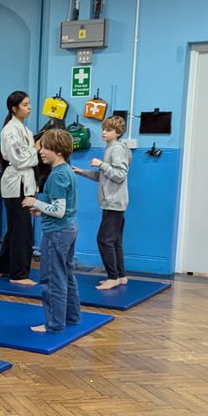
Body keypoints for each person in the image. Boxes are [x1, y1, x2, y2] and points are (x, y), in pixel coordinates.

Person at [22, 129, 81, 332]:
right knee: (66, 273)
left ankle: (54, 324)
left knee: (52, 278)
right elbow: (61, 206)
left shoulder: (56, 176)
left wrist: (35, 202)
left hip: (56, 233)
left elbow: (58, 210)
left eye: (46, 147)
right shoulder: (66, 170)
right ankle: (72, 317)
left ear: (59, 151)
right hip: (68, 228)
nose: (41, 151)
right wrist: (41, 209)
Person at [75, 113, 131, 289]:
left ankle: (112, 277)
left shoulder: (117, 149)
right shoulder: (110, 149)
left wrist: (101, 164)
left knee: (104, 240)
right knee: (114, 241)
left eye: (108, 130)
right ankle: (120, 276)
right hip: (113, 202)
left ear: (118, 132)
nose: (104, 133)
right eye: (103, 129)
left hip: (114, 202)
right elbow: (104, 176)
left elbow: (120, 175)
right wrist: (83, 172)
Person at [0, 90, 38, 285]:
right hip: (15, 184)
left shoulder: (25, 130)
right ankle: (19, 274)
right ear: (14, 108)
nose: (29, 108)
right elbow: (19, 160)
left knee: (15, 229)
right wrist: (36, 149)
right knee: (22, 230)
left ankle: (2, 268)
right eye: (25, 104)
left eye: (29, 104)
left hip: (24, 182)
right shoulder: (10, 130)